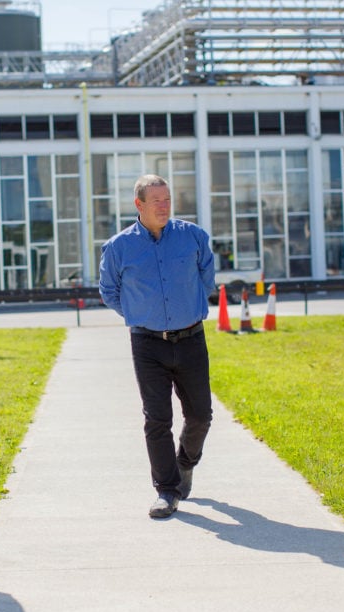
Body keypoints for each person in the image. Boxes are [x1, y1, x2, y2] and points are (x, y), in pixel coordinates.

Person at [99, 174, 216, 519]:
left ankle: (185, 464)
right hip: (147, 344)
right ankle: (167, 490)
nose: (164, 206)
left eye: (167, 200)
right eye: (157, 201)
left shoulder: (193, 237)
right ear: (139, 205)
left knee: (200, 416)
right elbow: (109, 291)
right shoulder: (119, 247)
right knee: (157, 418)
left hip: (192, 338)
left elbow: (206, 278)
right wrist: (140, 313)